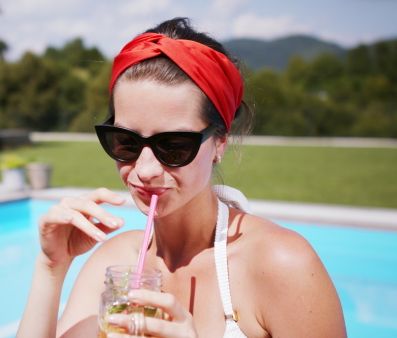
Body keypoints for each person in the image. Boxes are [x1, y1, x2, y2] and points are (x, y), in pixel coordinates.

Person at [17, 18, 346, 338]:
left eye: (173, 146)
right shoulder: (115, 263)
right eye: (126, 142)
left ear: (219, 143)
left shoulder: (281, 265)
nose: (145, 170)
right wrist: (51, 267)